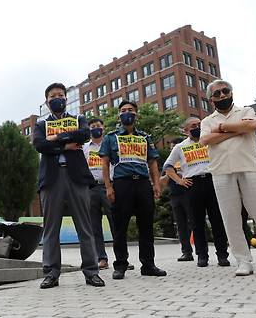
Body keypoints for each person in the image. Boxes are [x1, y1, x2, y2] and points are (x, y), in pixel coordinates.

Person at [199, 80, 256, 276]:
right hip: (221, 171)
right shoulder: (207, 121)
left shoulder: (246, 111)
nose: (222, 95)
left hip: (249, 168)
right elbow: (205, 140)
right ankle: (243, 260)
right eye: (217, 93)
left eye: (226, 91)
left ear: (231, 92)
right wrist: (237, 130)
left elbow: (254, 125)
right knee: (230, 217)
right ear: (211, 99)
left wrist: (222, 128)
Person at [33, 83, 105, 288]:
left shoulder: (78, 119)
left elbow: (83, 135)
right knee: (50, 228)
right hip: (51, 179)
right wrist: (65, 145)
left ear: (66, 98)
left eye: (61, 95)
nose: (57, 98)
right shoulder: (41, 125)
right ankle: (51, 273)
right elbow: (40, 145)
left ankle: (91, 271)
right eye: (53, 96)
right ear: (47, 102)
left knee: (85, 226)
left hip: (77, 178)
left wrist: (55, 138)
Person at [99, 100, 167, 279]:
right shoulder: (110, 137)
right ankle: (120, 265)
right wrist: (108, 186)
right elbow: (105, 163)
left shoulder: (145, 137)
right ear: (119, 115)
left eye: (130, 110)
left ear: (136, 114)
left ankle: (148, 264)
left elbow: (152, 162)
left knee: (146, 226)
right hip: (122, 184)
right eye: (123, 110)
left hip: (143, 184)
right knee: (120, 226)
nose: (126, 112)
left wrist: (156, 184)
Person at [164, 117, 230, 267]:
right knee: (196, 222)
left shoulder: (210, 140)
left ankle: (222, 255)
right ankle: (202, 256)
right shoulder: (180, 147)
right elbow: (168, 166)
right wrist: (179, 180)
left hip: (212, 181)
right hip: (192, 185)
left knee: (217, 220)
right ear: (186, 130)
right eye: (194, 126)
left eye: (199, 125)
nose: (198, 127)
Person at [82, 117, 114, 269]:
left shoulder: (111, 144)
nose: (96, 128)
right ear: (89, 130)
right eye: (93, 126)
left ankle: (122, 258)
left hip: (109, 187)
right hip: (91, 189)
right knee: (95, 226)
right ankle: (102, 258)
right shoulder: (85, 148)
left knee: (115, 222)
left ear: (103, 127)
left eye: (98, 126)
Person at [162, 140, 194, 262]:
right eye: (171, 148)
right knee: (181, 225)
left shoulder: (187, 159)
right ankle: (186, 252)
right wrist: (170, 175)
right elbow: (162, 182)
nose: (173, 150)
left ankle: (201, 251)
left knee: (194, 222)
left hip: (189, 193)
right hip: (175, 195)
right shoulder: (169, 164)